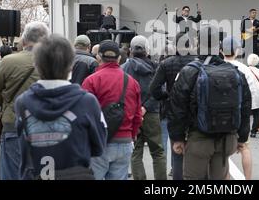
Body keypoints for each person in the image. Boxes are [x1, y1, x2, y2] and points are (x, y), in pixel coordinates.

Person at [14, 35, 106, 180]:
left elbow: (22, 147)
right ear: (71, 65)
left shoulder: (22, 102)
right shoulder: (87, 102)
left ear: (36, 65)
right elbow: (99, 147)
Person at [169, 25, 252, 180]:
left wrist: (177, 137)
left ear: (197, 44)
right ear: (219, 46)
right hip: (226, 138)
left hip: (198, 138)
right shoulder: (235, 72)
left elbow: (177, 106)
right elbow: (245, 105)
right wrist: (242, 137)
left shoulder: (190, 71)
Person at [0, 22, 49, 180]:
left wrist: (7, 104)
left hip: (13, 123)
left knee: (11, 173)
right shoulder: (54, 62)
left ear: (23, 41)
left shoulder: (8, 61)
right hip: (47, 127)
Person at [82, 40, 143, 180]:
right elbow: (137, 115)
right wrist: (130, 136)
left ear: (98, 57)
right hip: (124, 142)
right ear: (119, 58)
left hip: (98, 142)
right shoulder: (132, 82)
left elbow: (83, 114)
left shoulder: (91, 81)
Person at [149, 32, 196, 180]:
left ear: (175, 45)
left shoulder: (166, 63)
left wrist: (167, 96)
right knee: (197, 151)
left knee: (177, 150)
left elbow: (154, 89)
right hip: (195, 111)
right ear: (191, 45)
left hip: (173, 110)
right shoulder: (197, 63)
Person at [122, 35, 167, 180]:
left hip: (131, 114)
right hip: (152, 113)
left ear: (131, 50)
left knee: (136, 151)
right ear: (147, 50)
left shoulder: (124, 68)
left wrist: (137, 108)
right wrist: (146, 107)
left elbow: (123, 91)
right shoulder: (156, 67)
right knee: (158, 151)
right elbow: (160, 90)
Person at [222, 40, 259, 179]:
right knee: (244, 147)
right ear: (237, 51)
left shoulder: (217, 67)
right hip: (241, 114)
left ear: (221, 51)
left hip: (222, 115)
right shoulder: (244, 69)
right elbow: (252, 94)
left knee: (223, 152)